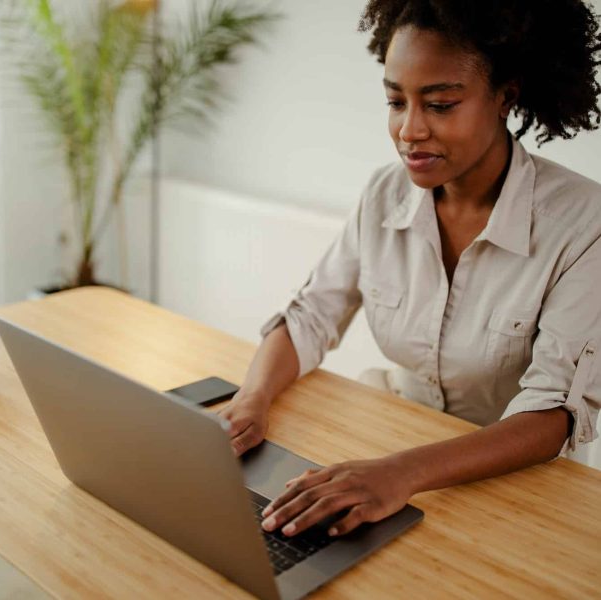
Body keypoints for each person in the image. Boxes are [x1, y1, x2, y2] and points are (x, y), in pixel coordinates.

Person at [219, 0, 601, 540]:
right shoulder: (383, 194)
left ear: (505, 96)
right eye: (396, 101)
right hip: (396, 450)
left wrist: (400, 473)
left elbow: (552, 414)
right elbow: (310, 315)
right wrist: (251, 400)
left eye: (440, 104)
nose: (409, 131)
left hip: (520, 488)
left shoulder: (584, 225)